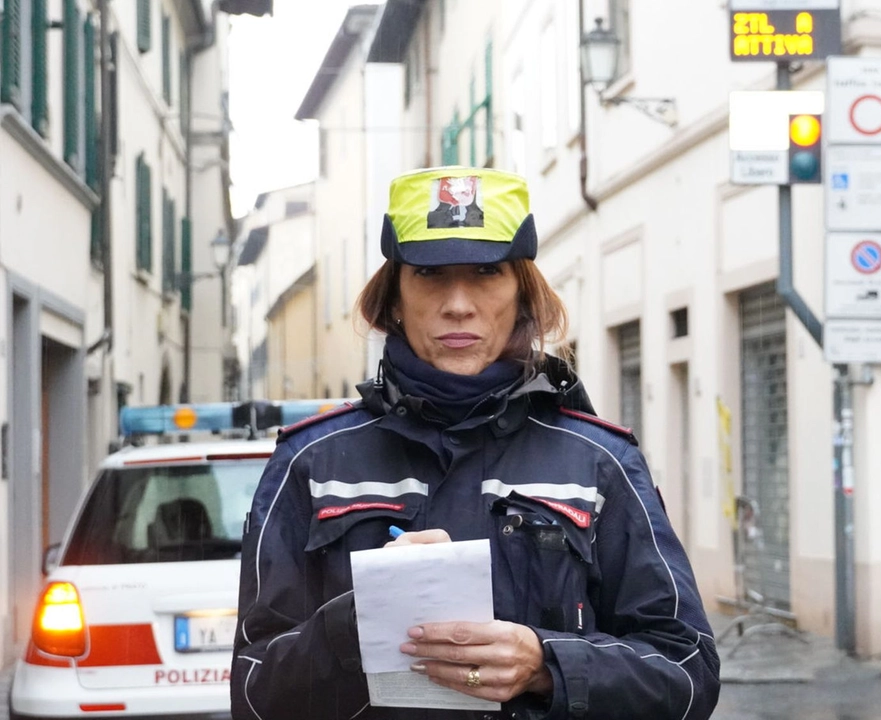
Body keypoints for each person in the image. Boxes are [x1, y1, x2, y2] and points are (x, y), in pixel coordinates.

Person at [232, 167, 721, 720]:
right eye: (429, 274)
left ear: (523, 297)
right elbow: (254, 695)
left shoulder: (600, 462)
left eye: (487, 271)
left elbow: (688, 677)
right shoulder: (311, 462)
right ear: (393, 297)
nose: (458, 303)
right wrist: (357, 619)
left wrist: (547, 665)